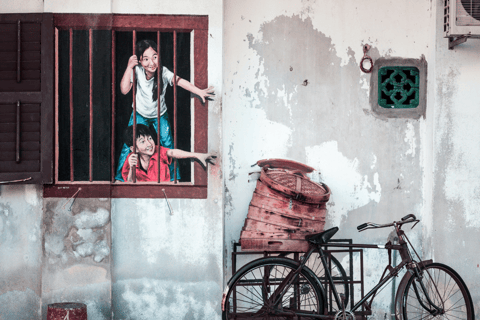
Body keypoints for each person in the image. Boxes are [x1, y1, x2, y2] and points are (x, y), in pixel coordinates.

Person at [115, 39, 215, 182]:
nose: (152, 62)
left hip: (159, 114)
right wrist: (129, 66)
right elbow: (124, 90)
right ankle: (120, 178)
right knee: (129, 146)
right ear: (140, 61)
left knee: (167, 146)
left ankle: (175, 179)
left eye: (155, 57)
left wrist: (198, 91)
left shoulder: (163, 72)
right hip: (139, 113)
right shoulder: (136, 71)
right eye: (146, 59)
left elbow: (180, 81)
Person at [122, 124, 216, 182]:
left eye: (150, 138)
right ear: (134, 148)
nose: (149, 143)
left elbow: (172, 152)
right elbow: (129, 183)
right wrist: (131, 167)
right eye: (142, 141)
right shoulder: (131, 158)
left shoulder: (158, 151)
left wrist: (197, 155)